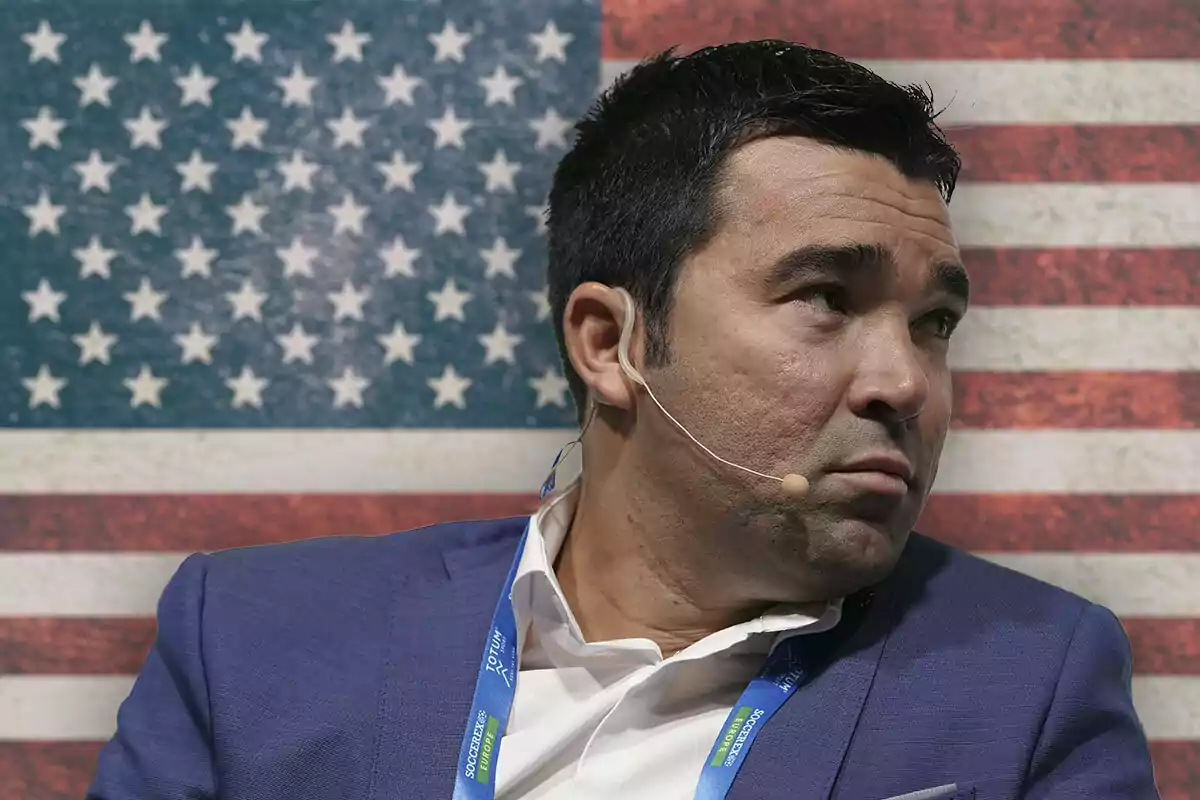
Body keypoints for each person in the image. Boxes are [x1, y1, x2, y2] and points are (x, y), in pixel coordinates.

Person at [88, 41, 1159, 800]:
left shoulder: (1031, 674)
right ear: (611, 342)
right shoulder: (251, 635)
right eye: (826, 297)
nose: (906, 382)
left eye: (933, 322)